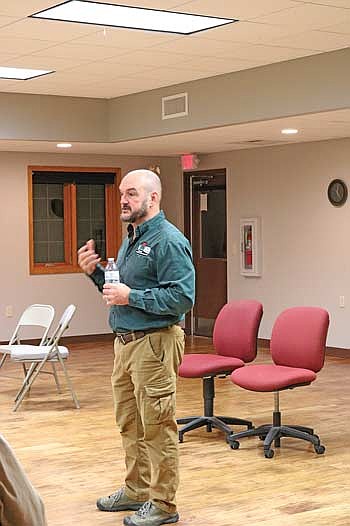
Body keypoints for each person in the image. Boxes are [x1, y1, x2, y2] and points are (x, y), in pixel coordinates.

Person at [78, 169, 195, 526]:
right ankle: (136, 489)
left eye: (131, 194)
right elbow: (121, 292)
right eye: (121, 196)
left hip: (155, 344)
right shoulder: (132, 237)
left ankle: (163, 504)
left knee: (158, 426)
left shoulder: (168, 240)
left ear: (153, 198)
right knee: (130, 423)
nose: (124, 202)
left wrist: (132, 296)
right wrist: (95, 273)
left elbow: (183, 297)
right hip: (126, 345)